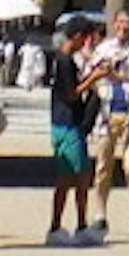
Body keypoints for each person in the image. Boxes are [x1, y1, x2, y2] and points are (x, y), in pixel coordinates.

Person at [87, 4, 129, 237]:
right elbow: (91, 72)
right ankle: (100, 214)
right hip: (108, 113)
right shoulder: (105, 47)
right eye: (119, 23)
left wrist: (118, 75)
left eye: (127, 23)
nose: (123, 28)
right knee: (103, 166)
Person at [45, 14, 101, 243]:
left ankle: (74, 224)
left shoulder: (61, 59)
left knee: (73, 177)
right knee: (75, 177)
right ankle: (67, 225)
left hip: (62, 123)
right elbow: (71, 94)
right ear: (78, 37)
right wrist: (94, 78)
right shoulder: (66, 61)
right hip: (68, 123)